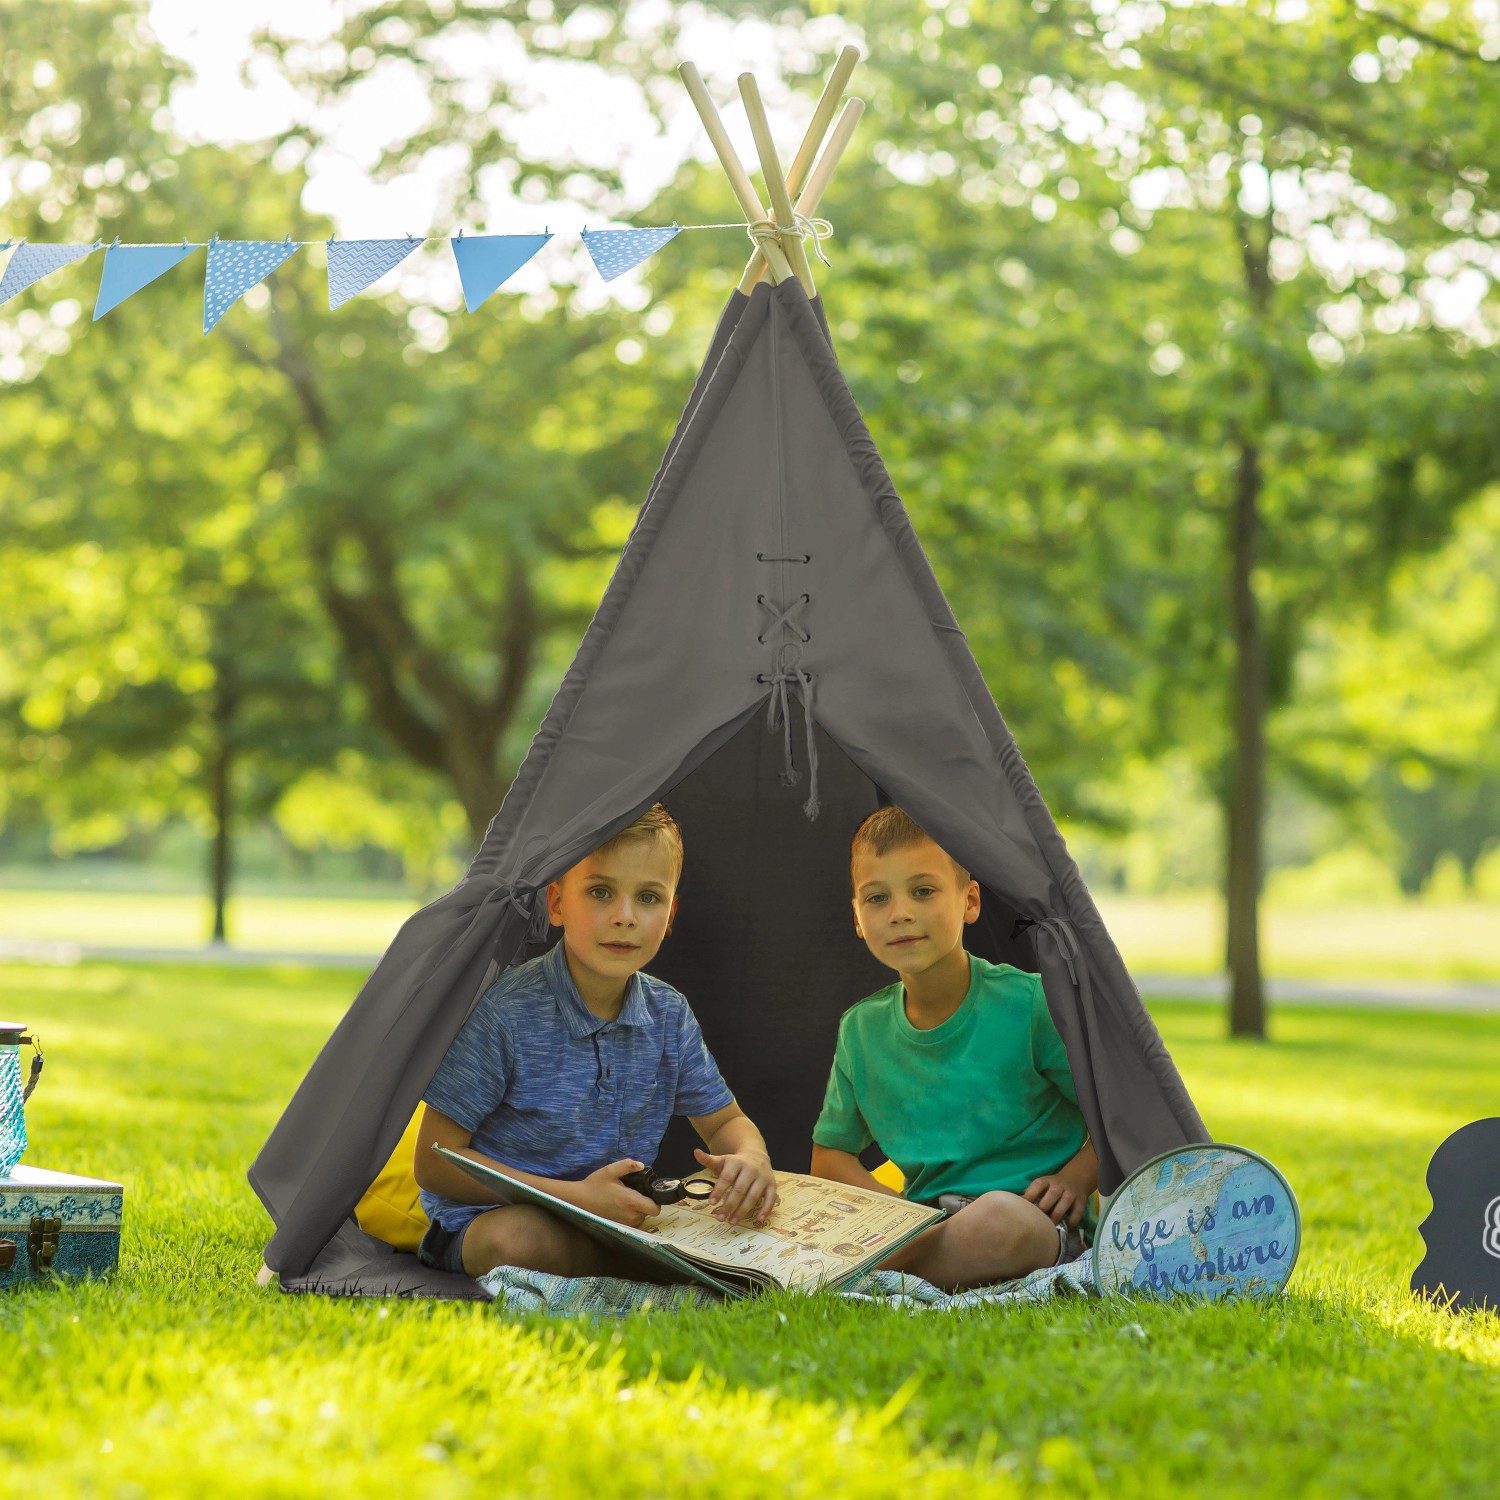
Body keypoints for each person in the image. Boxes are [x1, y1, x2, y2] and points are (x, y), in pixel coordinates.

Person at [413, 804, 778, 1280]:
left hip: (614, 1222)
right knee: (517, 1241)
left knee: (744, 1218)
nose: (625, 917)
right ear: (557, 903)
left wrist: (753, 1157)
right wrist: (576, 1199)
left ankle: (646, 1261)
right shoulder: (506, 1013)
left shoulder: (669, 1014)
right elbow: (434, 1163)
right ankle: (646, 1269)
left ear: (670, 914)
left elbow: (726, 1120)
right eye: (601, 892)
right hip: (491, 1219)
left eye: (648, 897)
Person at [810, 805, 1097, 1292]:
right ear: (857, 919)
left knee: (1000, 1221)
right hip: (924, 1224)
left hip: (1033, 1221)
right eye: (877, 898)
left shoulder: (1030, 1004)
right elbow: (829, 1157)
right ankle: (889, 1266)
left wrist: (1075, 1178)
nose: (899, 913)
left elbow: (1113, 1115)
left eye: (922, 891)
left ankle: (868, 1279)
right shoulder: (861, 1029)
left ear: (969, 902)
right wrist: (897, 1213)